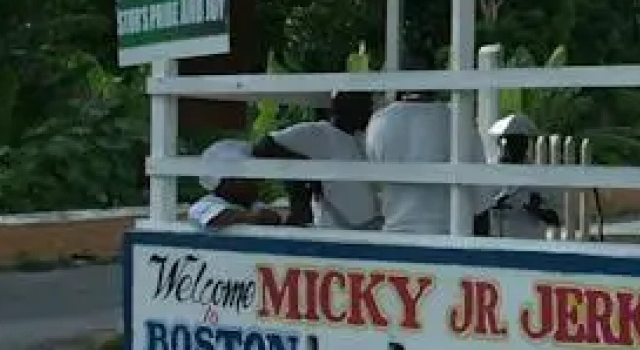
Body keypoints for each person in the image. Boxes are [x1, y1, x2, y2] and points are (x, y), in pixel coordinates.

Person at [252, 91, 380, 230]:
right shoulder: (317, 133)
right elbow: (262, 147)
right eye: (365, 107)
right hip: (335, 231)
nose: (370, 112)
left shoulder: (361, 138)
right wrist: (307, 169)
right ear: (345, 109)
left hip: (368, 229)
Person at [365, 84, 460, 236]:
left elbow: (374, 176)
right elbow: (480, 197)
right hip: (446, 233)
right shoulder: (455, 120)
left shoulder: (379, 121)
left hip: (395, 230)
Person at [478, 112, 563, 238]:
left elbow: (556, 219)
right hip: (496, 243)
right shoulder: (486, 171)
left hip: (529, 243)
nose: (516, 149)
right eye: (511, 143)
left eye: (520, 143)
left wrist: (536, 210)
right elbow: (475, 211)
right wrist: (494, 204)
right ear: (501, 143)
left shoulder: (539, 175)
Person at [188, 140, 288, 230]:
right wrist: (254, 217)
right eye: (246, 178)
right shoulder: (206, 204)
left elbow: (273, 218)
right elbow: (215, 218)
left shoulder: (253, 204)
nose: (257, 182)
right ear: (225, 182)